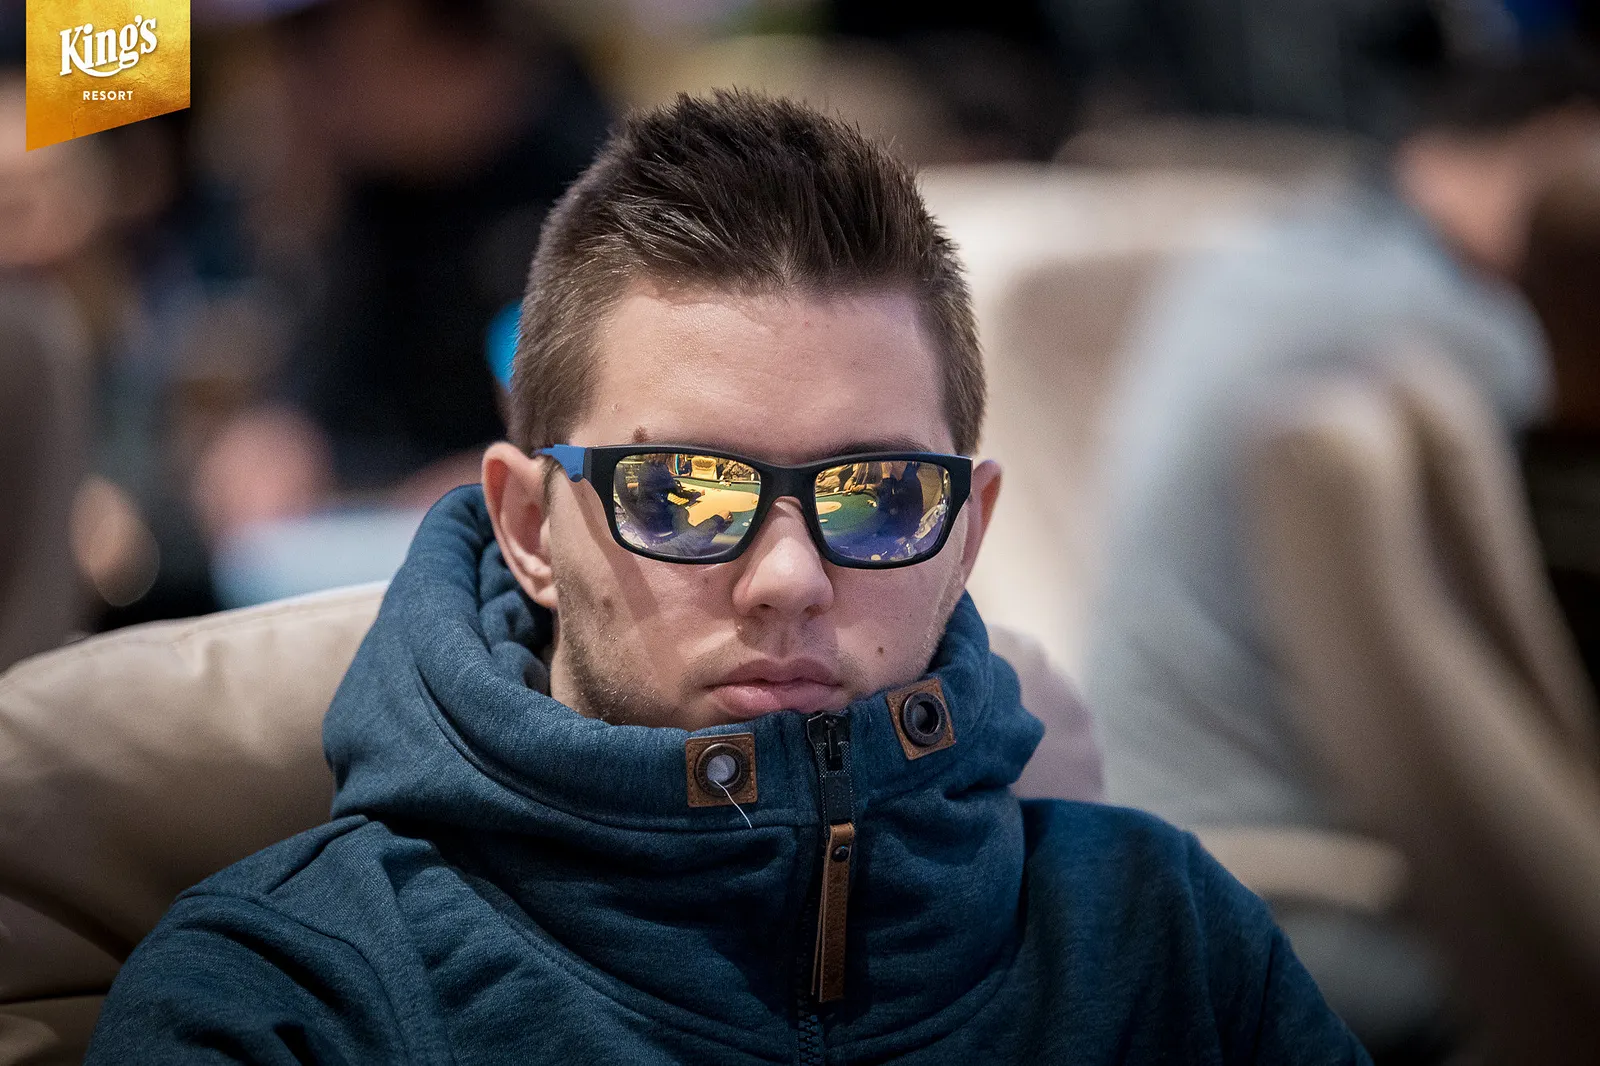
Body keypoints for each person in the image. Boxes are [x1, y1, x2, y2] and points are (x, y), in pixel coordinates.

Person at [87, 92, 1367, 1064]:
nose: (789, 579)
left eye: (877, 496)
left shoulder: (1170, 940)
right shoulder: (289, 998)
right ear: (529, 526)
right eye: (682, 495)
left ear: (966, 533)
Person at [1082, 49, 1600, 1056]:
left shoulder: (1268, 253)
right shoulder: (1452, 329)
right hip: (1289, 901)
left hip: (1157, 852)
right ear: (1555, 151)